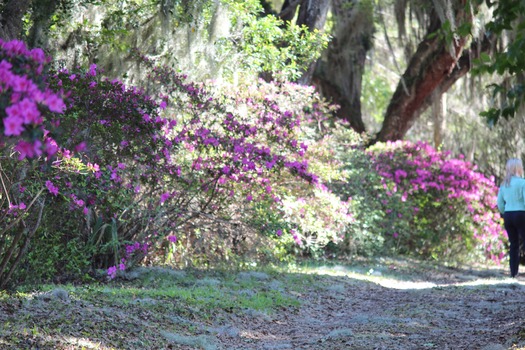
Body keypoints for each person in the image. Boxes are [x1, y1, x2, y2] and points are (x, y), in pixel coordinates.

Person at [497, 158, 525, 278]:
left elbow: (500, 204)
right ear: (519, 168)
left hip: (508, 215)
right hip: (521, 214)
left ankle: (513, 273)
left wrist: (506, 212)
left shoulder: (504, 185)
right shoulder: (522, 183)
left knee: (513, 244)